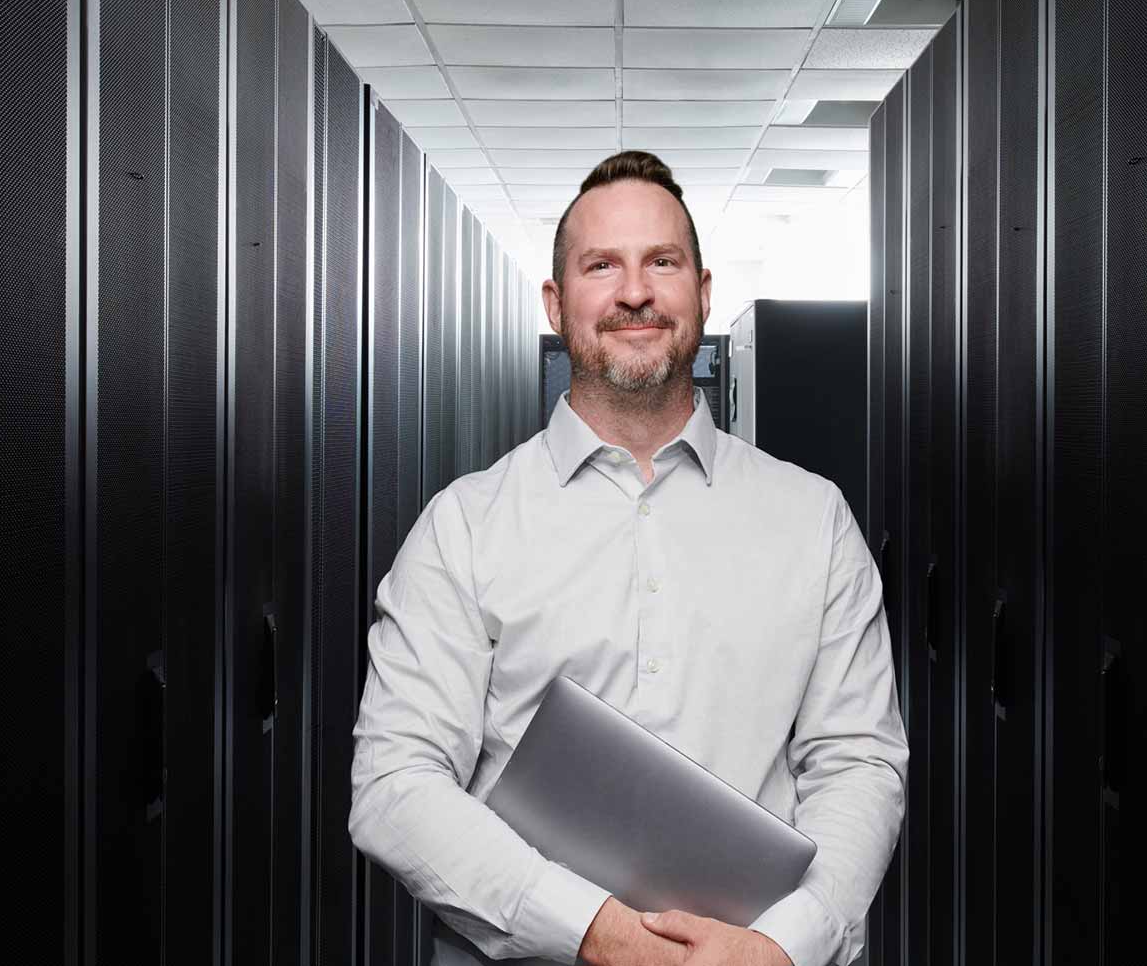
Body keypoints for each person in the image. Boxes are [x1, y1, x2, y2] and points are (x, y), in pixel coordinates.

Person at [348, 151, 908, 966]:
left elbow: (858, 762)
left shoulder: (813, 520)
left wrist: (782, 945)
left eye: (662, 262)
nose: (635, 292)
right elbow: (395, 784)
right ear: (556, 302)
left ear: (703, 292)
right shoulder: (464, 527)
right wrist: (598, 932)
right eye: (602, 265)